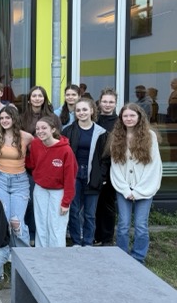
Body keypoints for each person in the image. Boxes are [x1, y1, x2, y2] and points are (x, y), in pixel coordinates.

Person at [110, 103, 162, 264]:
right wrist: (125, 189)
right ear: (121, 118)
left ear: (139, 117)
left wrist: (138, 191)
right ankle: (122, 257)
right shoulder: (116, 137)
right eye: (125, 116)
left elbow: (154, 166)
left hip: (144, 188)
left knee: (141, 225)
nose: (129, 118)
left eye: (132, 115)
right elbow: (115, 166)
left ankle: (138, 258)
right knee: (123, 224)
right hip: (123, 188)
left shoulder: (150, 136)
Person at [62, 98, 108, 246]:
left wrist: (101, 176)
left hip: (92, 175)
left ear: (92, 111)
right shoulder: (68, 131)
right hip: (74, 175)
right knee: (74, 210)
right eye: (78, 110)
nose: (81, 113)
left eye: (84, 109)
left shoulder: (101, 133)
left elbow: (105, 158)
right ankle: (76, 241)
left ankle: (88, 242)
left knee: (90, 213)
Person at [26, 116, 77, 248]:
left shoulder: (65, 150)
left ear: (53, 129)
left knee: (56, 226)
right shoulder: (36, 144)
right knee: (41, 224)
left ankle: (57, 256)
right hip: (40, 189)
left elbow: (70, 178)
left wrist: (66, 202)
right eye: (37, 128)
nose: (40, 131)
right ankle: (41, 254)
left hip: (58, 191)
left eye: (44, 128)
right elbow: (32, 164)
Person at [20, 86, 61, 245]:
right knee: (29, 201)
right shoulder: (22, 117)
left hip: (48, 165)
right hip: (28, 165)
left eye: (40, 96)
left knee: (46, 205)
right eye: (34, 96)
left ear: (44, 99)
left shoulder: (53, 118)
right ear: (29, 99)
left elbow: (58, 140)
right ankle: (31, 233)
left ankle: (45, 236)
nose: (37, 98)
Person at [0, 106, 33, 246]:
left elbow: (39, 153)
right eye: (2, 118)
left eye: (7, 117)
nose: (4, 120)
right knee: (4, 219)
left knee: (16, 221)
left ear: (14, 118)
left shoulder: (26, 137)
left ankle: (23, 253)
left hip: (20, 182)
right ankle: (6, 251)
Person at [94, 87, 119, 245]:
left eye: (111, 102)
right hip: (94, 167)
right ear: (100, 102)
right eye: (105, 101)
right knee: (94, 205)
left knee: (107, 204)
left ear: (115, 103)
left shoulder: (119, 123)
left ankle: (107, 238)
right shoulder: (94, 119)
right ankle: (96, 235)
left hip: (111, 169)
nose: (107, 105)